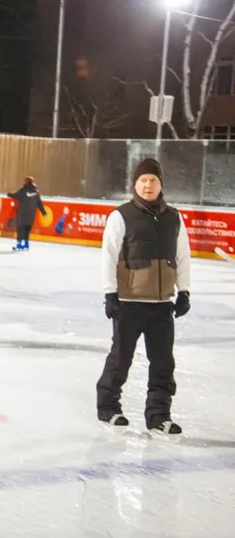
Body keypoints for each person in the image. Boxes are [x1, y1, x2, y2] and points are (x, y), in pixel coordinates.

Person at [96, 158, 191, 438]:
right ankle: (108, 407)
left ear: (161, 184)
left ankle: (159, 416)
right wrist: (110, 293)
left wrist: (184, 291)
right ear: (135, 184)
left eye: (153, 180)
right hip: (128, 302)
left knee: (163, 363)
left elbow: (182, 256)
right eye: (143, 180)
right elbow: (108, 256)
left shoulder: (174, 217)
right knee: (121, 358)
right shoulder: (121, 216)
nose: (148, 185)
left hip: (162, 304)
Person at [8, 176, 47, 251]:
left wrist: (9, 194)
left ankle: (19, 245)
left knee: (20, 229)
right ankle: (26, 245)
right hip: (31, 215)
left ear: (26, 182)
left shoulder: (24, 190)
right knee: (27, 230)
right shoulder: (36, 192)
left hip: (22, 214)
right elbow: (39, 203)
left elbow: (16, 196)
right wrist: (43, 211)